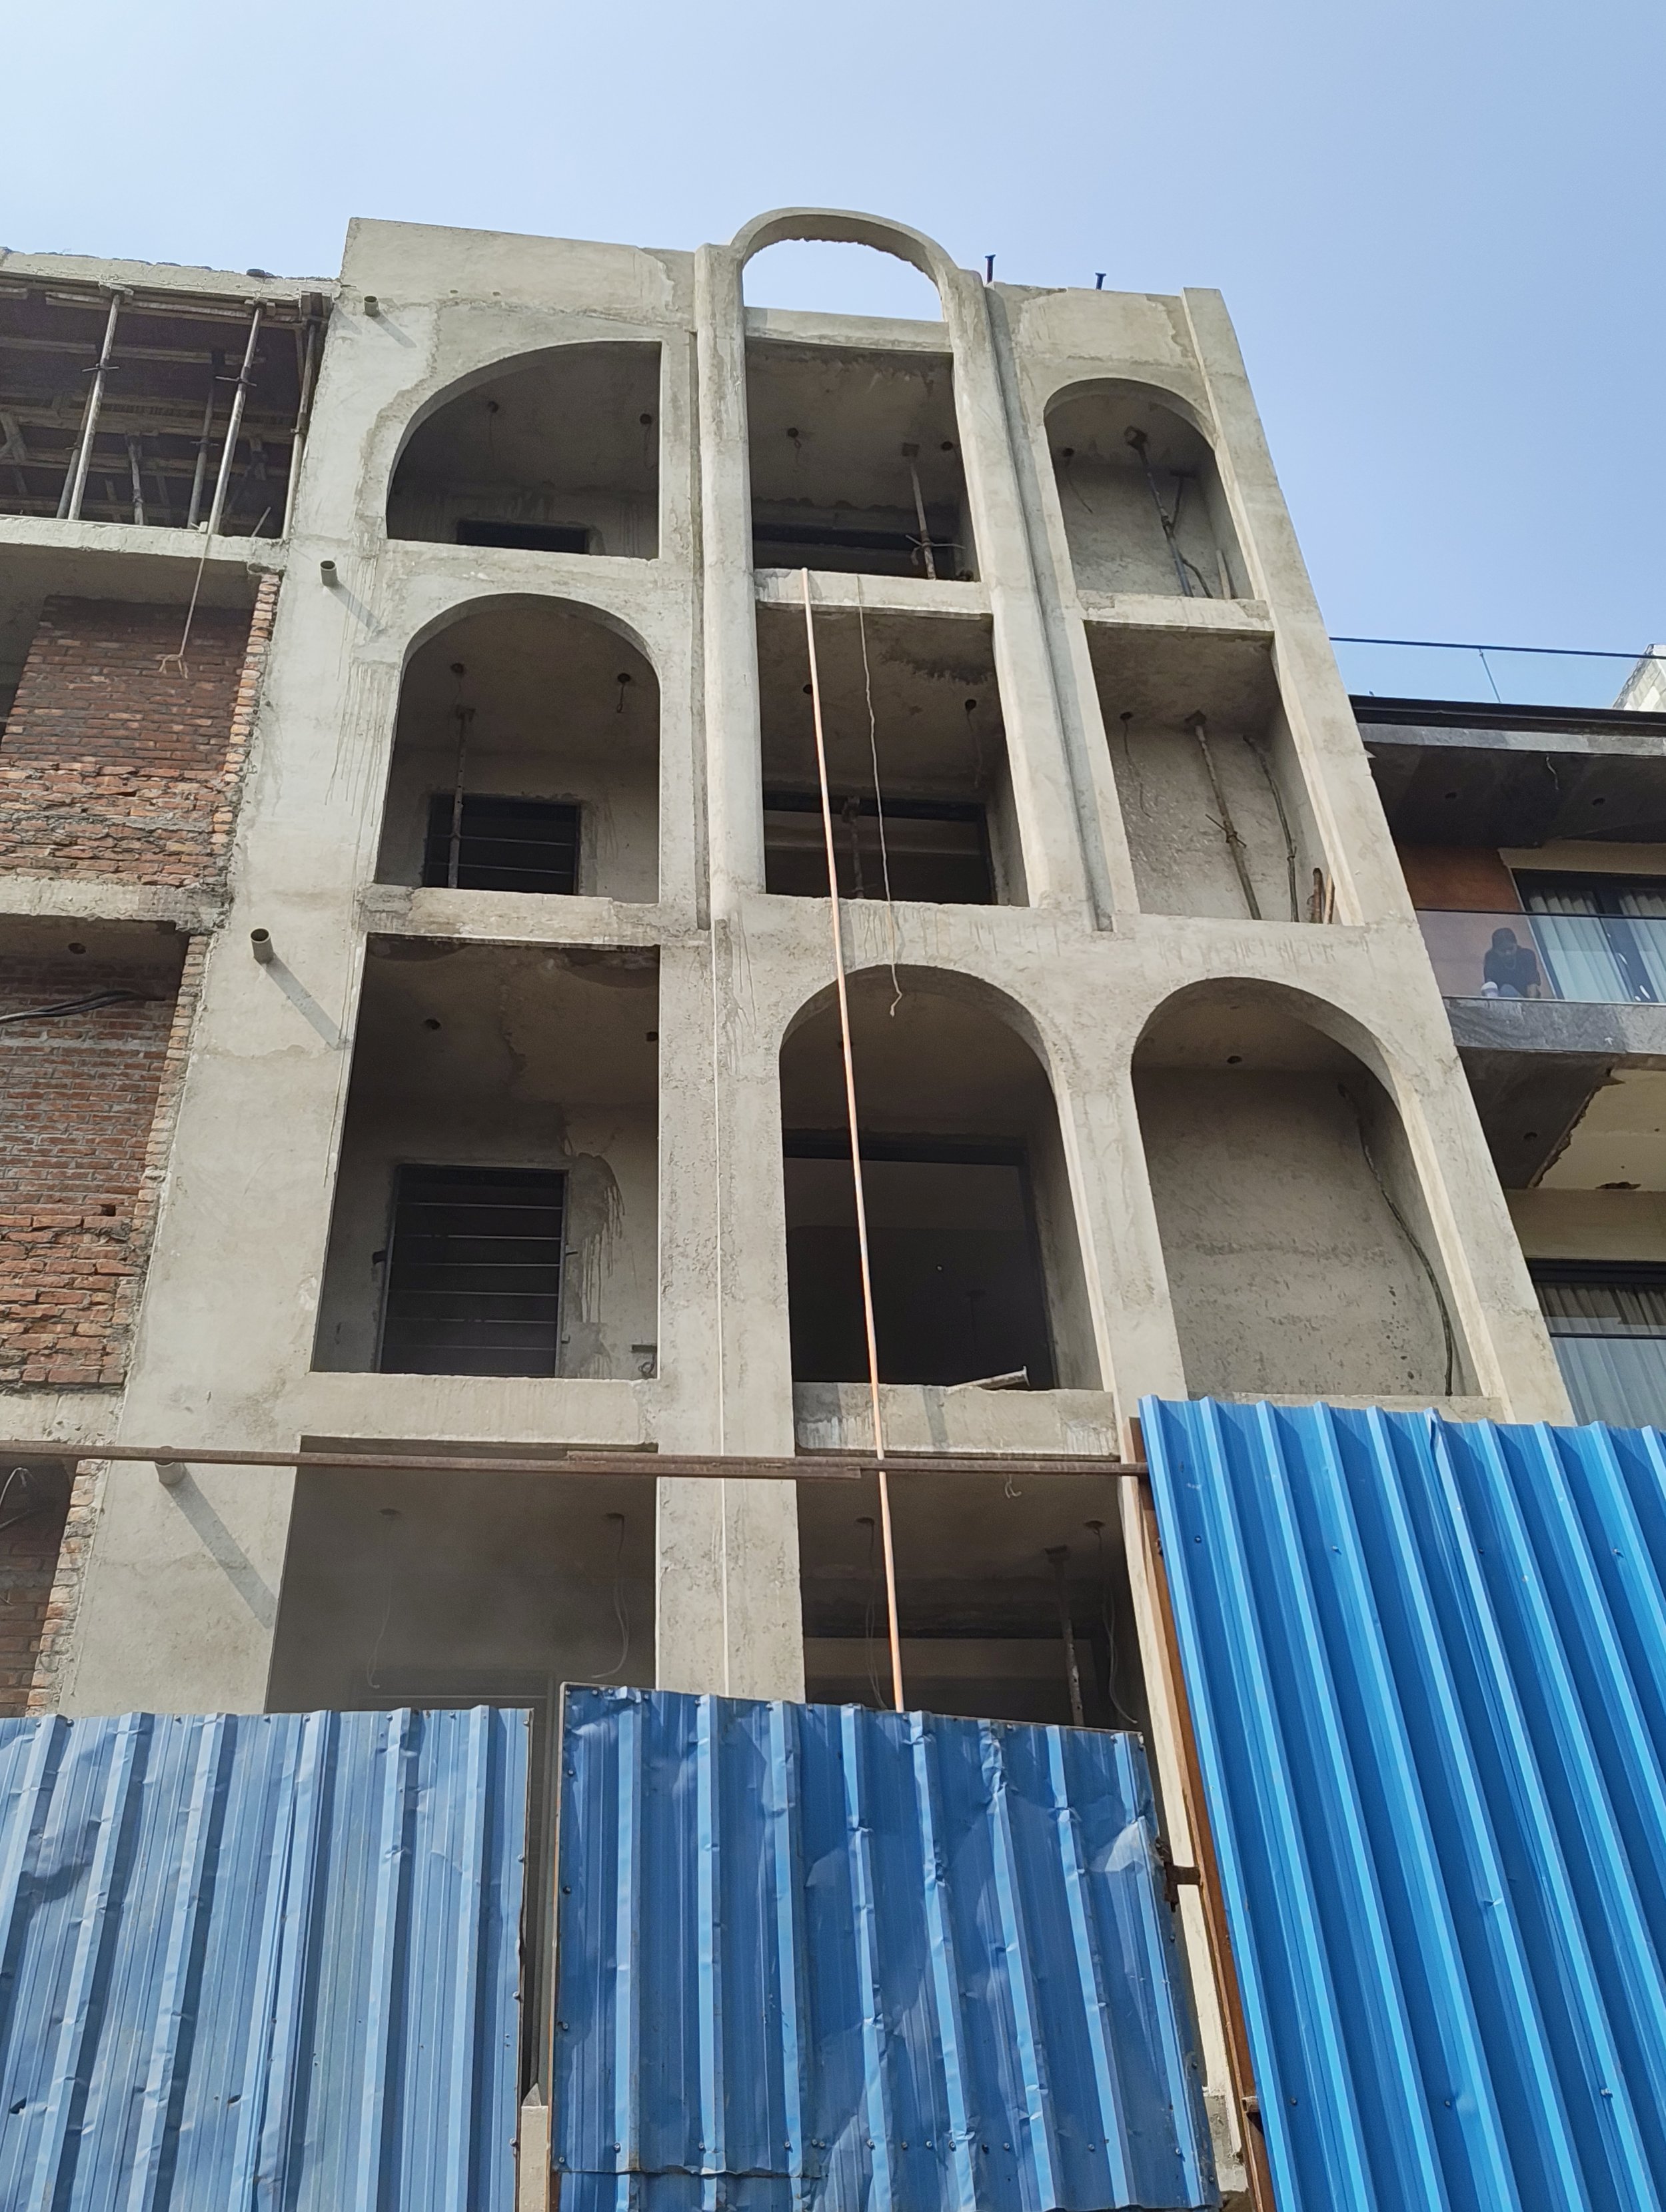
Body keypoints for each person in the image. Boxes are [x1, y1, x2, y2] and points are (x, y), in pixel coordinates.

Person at [1481, 925, 1541, 998]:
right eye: (1503, 951)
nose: (1508, 953)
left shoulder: (1526, 956)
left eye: (1511, 949)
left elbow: (1532, 983)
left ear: (1516, 945)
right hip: (1505, 1000)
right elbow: (1491, 990)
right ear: (1495, 951)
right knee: (1506, 989)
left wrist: (1530, 1004)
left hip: (1528, 997)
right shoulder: (1492, 963)